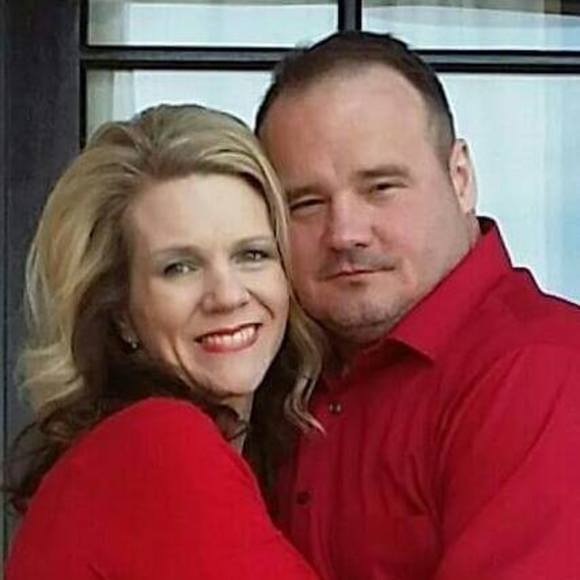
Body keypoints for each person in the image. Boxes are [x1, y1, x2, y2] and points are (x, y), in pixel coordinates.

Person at [256, 31, 580, 579]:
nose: (345, 233)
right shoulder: (272, 366)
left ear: (461, 179)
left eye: (381, 187)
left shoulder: (540, 369)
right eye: (306, 203)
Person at [5, 104, 321, 579]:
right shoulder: (158, 445)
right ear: (121, 313)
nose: (228, 295)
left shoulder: (213, 452)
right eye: (179, 267)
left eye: (252, 254)